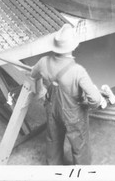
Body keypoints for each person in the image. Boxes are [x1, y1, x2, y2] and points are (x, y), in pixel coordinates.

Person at [31, 24, 108, 165]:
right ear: (72, 47)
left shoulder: (43, 62)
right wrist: (87, 105)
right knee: (80, 145)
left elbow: (34, 76)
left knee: (53, 140)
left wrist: (40, 91)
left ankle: (54, 169)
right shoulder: (78, 71)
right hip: (73, 113)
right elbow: (96, 100)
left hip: (51, 108)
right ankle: (81, 173)